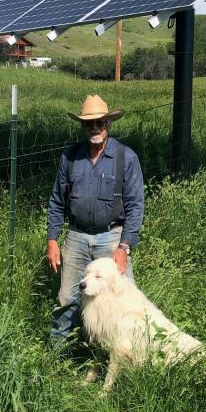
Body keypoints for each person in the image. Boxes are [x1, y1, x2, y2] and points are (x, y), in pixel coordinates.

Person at [46, 94, 145, 347]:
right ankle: (57, 356)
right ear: (82, 126)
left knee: (123, 299)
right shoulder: (70, 158)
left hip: (111, 237)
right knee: (67, 298)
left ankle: (127, 352)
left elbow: (135, 207)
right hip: (76, 236)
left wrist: (124, 247)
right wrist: (53, 239)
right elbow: (57, 200)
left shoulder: (126, 158)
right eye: (89, 124)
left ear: (108, 125)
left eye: (99, 123)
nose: (94, 129)